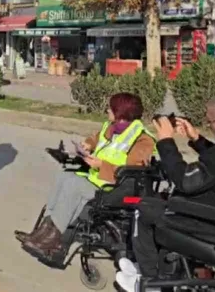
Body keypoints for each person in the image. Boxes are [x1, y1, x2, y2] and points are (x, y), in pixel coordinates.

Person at [115, 94, 215, 292]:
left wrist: (165, 141)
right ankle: (151, 267)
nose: (210, 125)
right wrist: (196, 139)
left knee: (145, 209)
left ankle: (150, 279)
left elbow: (185, 180)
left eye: (210, 122)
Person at [17, 93, 156, 260]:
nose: (107, 110)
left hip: (117, 187)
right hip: (98, 178)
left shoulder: (143, 140)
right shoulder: (111, 127)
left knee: (74, 185)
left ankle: (55, 239)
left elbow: (133, 170)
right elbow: (95, 138)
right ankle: (42, 232)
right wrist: (87, 145)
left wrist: (101, 165)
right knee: (65, 175)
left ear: (122, 113)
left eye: (111, 108)